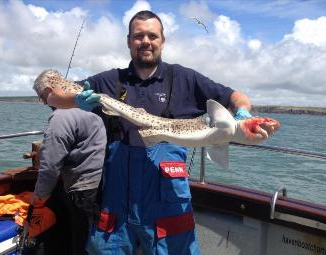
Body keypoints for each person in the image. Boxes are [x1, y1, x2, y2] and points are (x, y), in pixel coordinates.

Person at [43, 10, 277, 255]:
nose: (146, 41)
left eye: (152, 36)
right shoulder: (109, 81)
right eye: (138, 36)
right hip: (117, 195)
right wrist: (76, 100)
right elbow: (52, 97)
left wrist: (243, 113)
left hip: (168, 200)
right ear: (128, 41)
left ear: (162, 41)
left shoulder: (185, 78)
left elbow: (235, 97)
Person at [32, 81, 107, 255]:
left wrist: (39, 198)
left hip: (81, 190)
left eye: (43, 97)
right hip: (101, 184)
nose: (44, 103)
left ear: (50, 91)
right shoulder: (94, 109)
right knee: (91, 239)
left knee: (80, 243)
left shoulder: (61, 116)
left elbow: (50, 166)